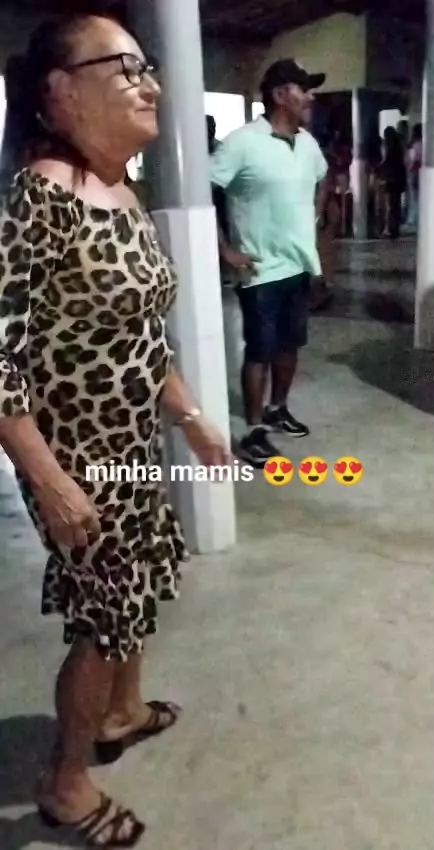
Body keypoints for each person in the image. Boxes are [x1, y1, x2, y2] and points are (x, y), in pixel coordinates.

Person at [0, 13, 231, 847]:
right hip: (74, 460)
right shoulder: (41, 199)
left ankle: (120, 714)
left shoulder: (121, 192)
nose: (150, 84)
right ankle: (65, 783)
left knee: (140, 585)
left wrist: (191, 418)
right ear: (60, 92)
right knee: (105, 616)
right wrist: (52, 483)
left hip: (132, 446)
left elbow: (140, 336)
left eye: (147, 66)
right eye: (125, 68)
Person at [210, 59, 328, 466]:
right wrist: (225, 249)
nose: (311, 97)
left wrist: (313, 220)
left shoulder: (307, 143)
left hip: (299, 264)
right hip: (259, 268)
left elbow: (323, 177)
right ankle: (254, 429)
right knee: (260, 349)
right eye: (304, 89)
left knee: (291, 343)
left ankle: (278, 408)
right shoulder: (241, 142)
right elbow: (205, 190)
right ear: (280, 95)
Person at [380, 126, 407, 239]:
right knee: (396, 206)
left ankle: (390, 229)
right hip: (398, 180)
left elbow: (386, 164)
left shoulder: (389, 149)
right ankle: (395, 229)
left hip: (390, 180)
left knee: (390, 206)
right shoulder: (399, 148)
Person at [405, 123, 422, 231]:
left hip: (411, 172)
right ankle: (416, 218)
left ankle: (412, 218)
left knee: (412, 196)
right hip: (419, 172)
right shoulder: (422, 144)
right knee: (418, 196)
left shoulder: (411, 145)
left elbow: (410, 160)